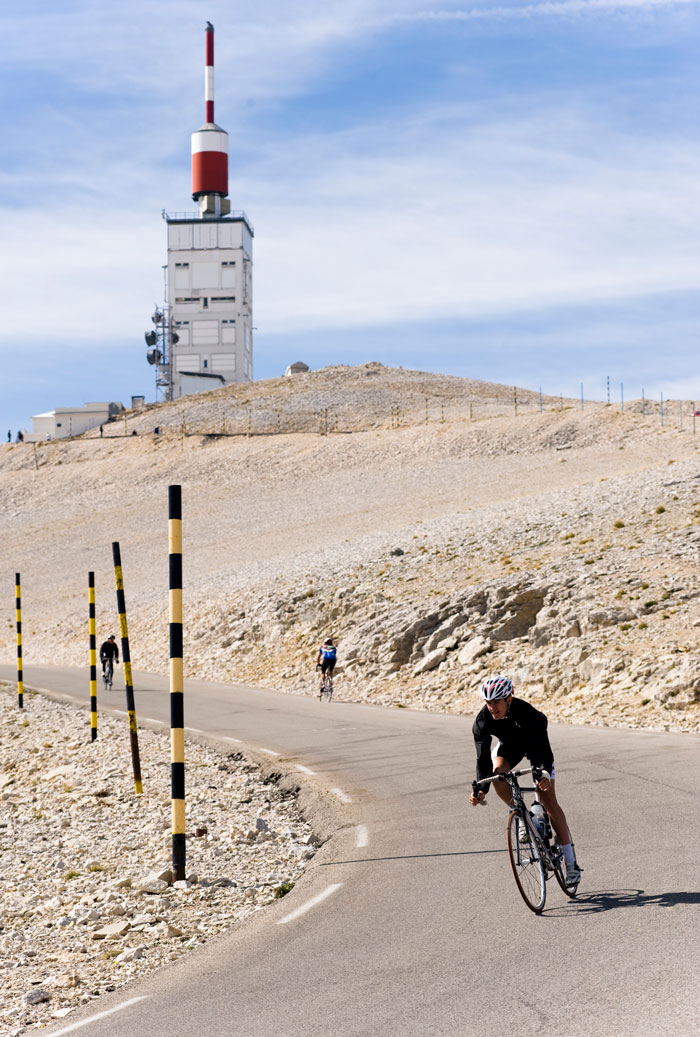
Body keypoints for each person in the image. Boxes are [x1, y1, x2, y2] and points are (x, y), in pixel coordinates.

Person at [468, 675, 581, 886]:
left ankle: (571, 863)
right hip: (510, 748)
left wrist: (544, 774)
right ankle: (521, 815)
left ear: (509, 698)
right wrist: (481, 788)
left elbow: (543, 750)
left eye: (496, 702)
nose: (492, 707)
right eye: (488, 703)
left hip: (535, 746)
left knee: (549, 800)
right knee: (497, 774)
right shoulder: (482, 721)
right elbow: (482, 758)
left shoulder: (528, 714)